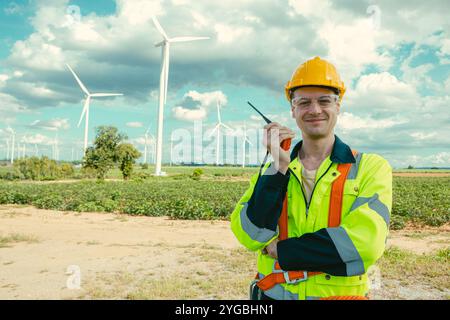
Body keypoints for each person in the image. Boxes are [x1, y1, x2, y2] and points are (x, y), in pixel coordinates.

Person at [230, 56, 392, 300]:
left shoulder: (370, 167)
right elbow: (249, 234)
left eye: (324, 101)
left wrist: (281, 251)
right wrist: (279, 167)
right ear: (293, 110)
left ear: (338, 106)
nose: (315, 110)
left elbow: (365, 244)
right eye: (304, 102)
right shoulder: (274, 170)